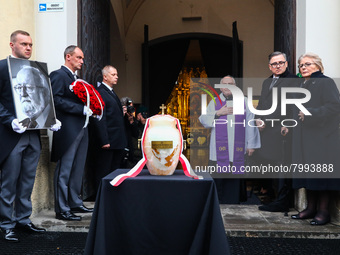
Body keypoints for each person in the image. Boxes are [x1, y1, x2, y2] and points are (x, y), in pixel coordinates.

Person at [0, 30, 60, 242]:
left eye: (30, 44)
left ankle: (23, 220)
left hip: (34, 135)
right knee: (9, 182)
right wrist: (9, 120)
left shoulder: (36, 70)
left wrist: (51, 119)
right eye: (24, 44)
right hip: (12, 135)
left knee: (27, 181)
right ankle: (5, 224)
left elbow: (44, 97)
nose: (28, 47)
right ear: (12, 45)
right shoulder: (1, 67)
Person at [289, 53, 340, 225]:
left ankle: (323, 212)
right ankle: (310, 209)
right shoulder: (303, 84)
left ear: (318, 66)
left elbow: (334, 106)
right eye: (301, 65)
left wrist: (311, 113)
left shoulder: (326, 81)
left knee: (320, 174)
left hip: (322, 138)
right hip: (305, 137)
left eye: (307, 64)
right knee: (308, 173)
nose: (303, 67)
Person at [199, 76, 261, 204]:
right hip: (218, 148)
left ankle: (234, 199)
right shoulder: (214, 102)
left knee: (235, 174)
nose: (227, 86)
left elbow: (250, 123)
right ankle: (218, 200)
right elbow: (203, 120)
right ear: (221, 87)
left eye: (230, 83)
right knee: (219, 174)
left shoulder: (244, 101)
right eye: (225, 84)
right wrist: (218, 113)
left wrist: (251, 144)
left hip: (238, 146)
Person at [50, 45, 93, 221]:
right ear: (69, 57)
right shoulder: (58, 75)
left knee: (78, 168)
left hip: (82, 127)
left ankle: (75, 201)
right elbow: (55, 99)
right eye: (79, 57)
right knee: (64, 169)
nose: (82, 61)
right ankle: (62, 208)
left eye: (82, 58)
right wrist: (80, 109)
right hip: (68, 129)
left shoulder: (76, 79)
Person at [254, 51, 298, 212]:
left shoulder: (293, 80)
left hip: (281, 128)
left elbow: (289, 105)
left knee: (281, 165)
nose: (277, 66)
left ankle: (282, 201)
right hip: (266, 130)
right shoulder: (267, 82)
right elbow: (261, 104)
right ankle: (272, 197)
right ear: (269, 66)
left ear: (286, 63)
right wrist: (258, 118)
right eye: (274, 64)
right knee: (268, 162)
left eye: (280, 63)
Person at [90, 65, 127, 191]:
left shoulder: (110, 91)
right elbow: (100, 117)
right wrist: (104, 140)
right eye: (113, 74)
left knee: (114, 170)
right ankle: (101, 196)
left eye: (116, 74)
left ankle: (111, 196)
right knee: (104, 171)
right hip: (108, 141)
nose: (116, 77)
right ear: (105, 77)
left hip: (116, 140)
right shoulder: (100, 92)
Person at [120, 96, 139, 168]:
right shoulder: (119, 117)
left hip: (129, 148)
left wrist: (131, 122)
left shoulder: (131, 118)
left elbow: (136, 134)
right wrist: (122, 114)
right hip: (120, 148)